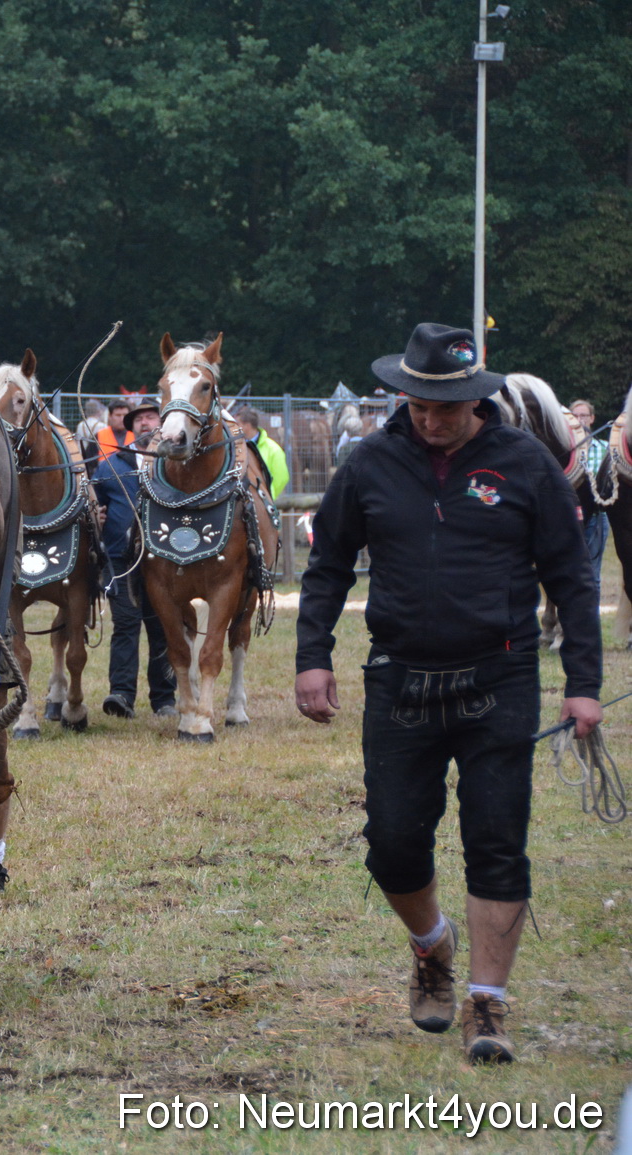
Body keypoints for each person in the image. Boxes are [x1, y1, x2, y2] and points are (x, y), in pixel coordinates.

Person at [295, 322, 601, 1065]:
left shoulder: (524, 464)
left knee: (497, 839)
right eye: (418, 404)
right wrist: (313, 657)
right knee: (393, 843)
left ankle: (488, 1002)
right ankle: (432, 944)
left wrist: (584, 686)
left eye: (446, 406)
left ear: (474, 398)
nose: (430, 419)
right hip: (400, 676)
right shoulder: (370, 463)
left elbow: (571, 577)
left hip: (499, 676)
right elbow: (329, 563)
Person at [92, 401, 176, 719]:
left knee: (161, 627)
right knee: (125, 625)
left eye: (150, 416)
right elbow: (96, 506)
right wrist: (96, 517)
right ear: (131, 428)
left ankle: (164, 699)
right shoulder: (110, 465)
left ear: (162, 422)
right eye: (138, 419)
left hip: (164, 558)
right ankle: (122, 695)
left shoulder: (174, 464)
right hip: (119, 558)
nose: (144, 423)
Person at [569, 398, 609, 594]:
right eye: (574, 416)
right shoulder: (565, 452)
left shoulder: (606, 449)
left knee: (592, 573)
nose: (579, 420)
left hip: (596, 516)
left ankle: (591, 620)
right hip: (569, 518)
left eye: (583, 415)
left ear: (592, 418)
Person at [236, 407, 290, 498]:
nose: (235, 428)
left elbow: (281, 478)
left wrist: (268, 495)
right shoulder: (236, 447)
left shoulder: (273, 449)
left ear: (247, 426)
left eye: (238, 424)